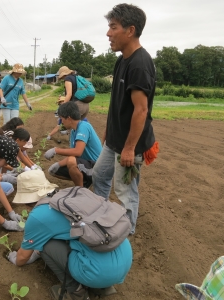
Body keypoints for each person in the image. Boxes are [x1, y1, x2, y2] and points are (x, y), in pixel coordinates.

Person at [7, 172, 133, 300]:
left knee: (44, 245)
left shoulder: (37, 216)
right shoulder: (72, 194)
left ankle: (76, 292)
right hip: (125, 258)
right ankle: (103, 287)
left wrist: (14, 258)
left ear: (27, 201)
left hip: (99, 273)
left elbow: (22, 258)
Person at [92, 4, 156, 235]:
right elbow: (117, 102)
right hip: (114, 140)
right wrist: (109, 131)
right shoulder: (122, 60)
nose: (108, 33)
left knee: (125, 190)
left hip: (130, 145)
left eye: (113, 27)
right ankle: (99, 212)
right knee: (99, 174)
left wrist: (129, 149)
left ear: (130, 30)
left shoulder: (140, 64)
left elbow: (141, 110)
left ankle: (127, 231)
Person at [44, 101, 102, 188]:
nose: (61, 122)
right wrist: (58, 164)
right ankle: (84, 181)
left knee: (71, 162)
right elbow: (74, 155)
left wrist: (55, 150)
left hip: (97, 167)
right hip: (86, 165)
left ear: (69, 118)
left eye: (62, 119)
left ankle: (81, 191)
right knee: (56, 170)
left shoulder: (84, 126)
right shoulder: (73, 131)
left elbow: (77, 152)